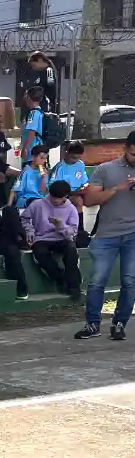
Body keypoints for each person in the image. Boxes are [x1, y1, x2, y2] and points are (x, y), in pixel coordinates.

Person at [76, 132, 135, 342]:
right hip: (106, 234)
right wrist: (117, 189)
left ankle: (119, 323)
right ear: (125, 149)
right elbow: (90, 200)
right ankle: (92, 324)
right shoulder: (105, 169)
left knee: (130, 281)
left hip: (133, 234)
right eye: (133, 154)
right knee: (97, 280)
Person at [23, 180, 81, 300]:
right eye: (53, 197)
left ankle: (74, 286)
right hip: (42, 238)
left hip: (62, 238)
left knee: (71, 250)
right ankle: (60, 278)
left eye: (59, 198)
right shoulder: (38, 204)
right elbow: (24, 218)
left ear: (65, 197)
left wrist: (61, 226)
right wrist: (30, 230)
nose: (55, 200)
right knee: (40, 252)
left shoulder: (71, 209)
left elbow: (73, 233)